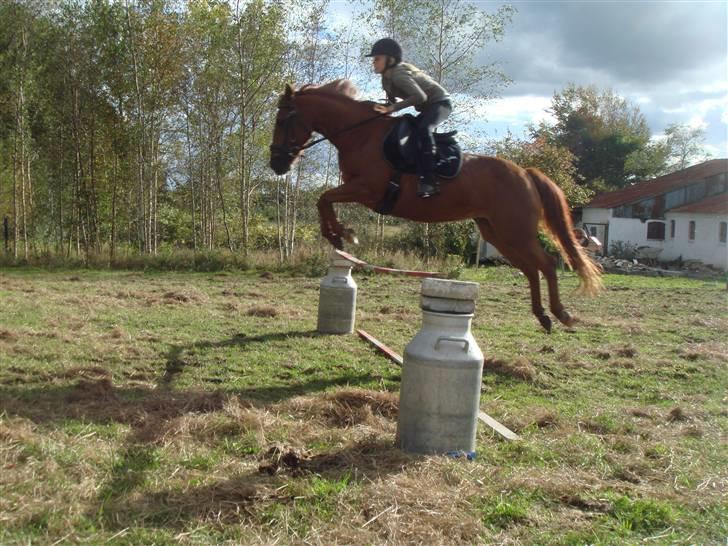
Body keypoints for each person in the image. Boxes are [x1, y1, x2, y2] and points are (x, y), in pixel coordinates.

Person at [366, 38, 451, 198]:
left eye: (377, 59)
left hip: (441, 103)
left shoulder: (398, 73)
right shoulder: (385, 80)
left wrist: (391, 108)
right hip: (427, 108)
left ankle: (430, 181)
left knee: (424, 129)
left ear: (390, 60)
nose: (374, 62)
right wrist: (377, 110)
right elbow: (391, 104)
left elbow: (420, 97)